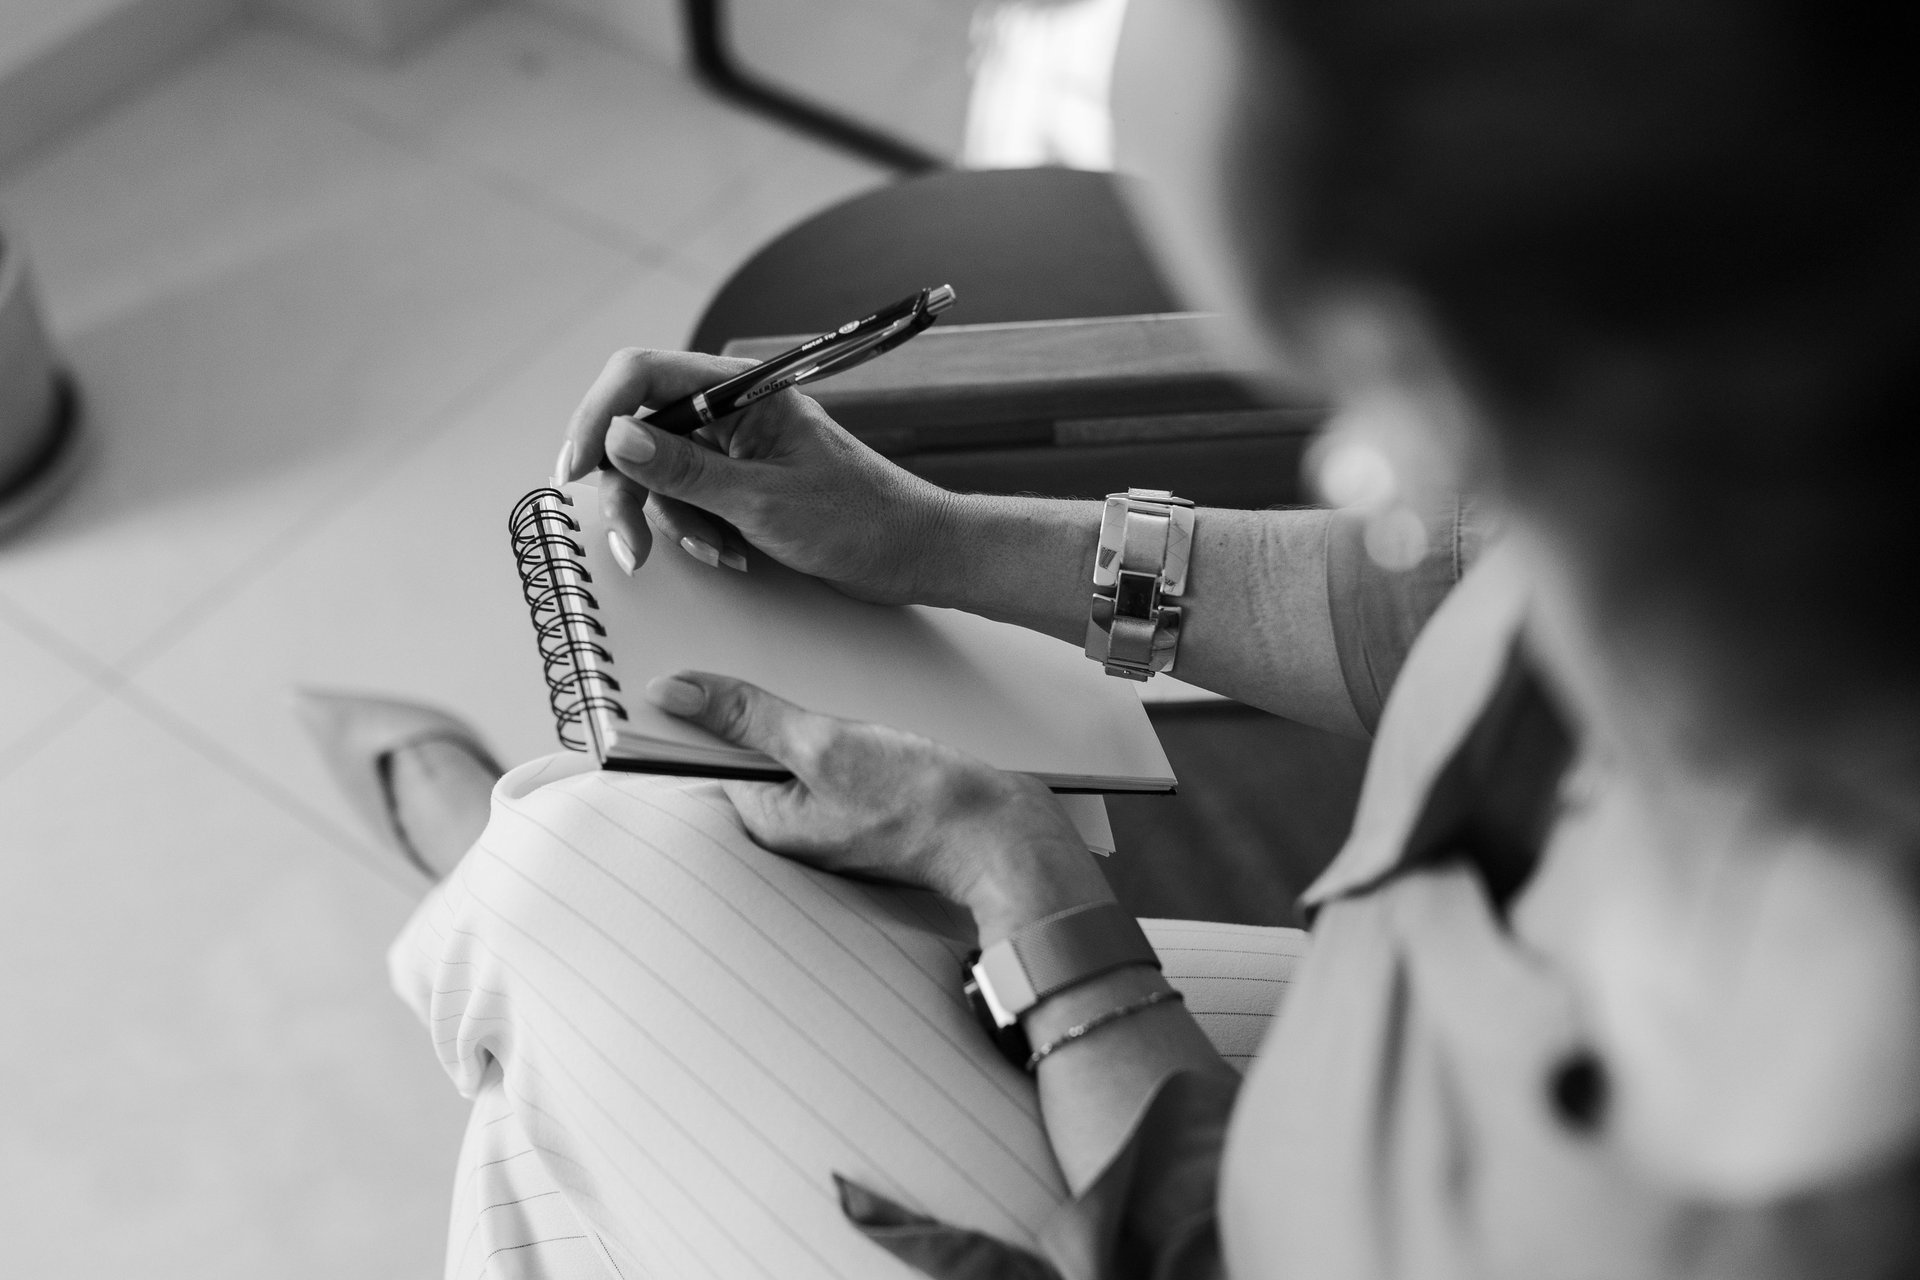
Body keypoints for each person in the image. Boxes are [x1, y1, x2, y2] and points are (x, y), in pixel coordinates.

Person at [302, 0, 1920, 1275]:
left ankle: (484, 895)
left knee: (566, 914)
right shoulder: (1739, 522)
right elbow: (1428, 604)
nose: (1362, 484)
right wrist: (930, 538)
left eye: (1354, 403)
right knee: (585, 963)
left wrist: (1024, 880)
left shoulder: (1752, 1186)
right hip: (1356, 1052)